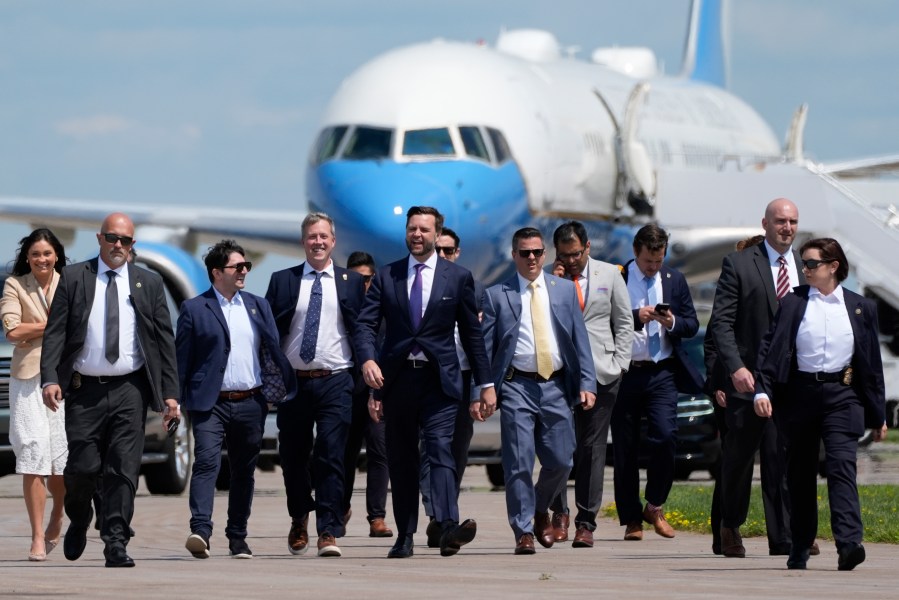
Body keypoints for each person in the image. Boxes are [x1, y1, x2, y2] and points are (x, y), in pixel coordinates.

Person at [40, 212, 180, 568]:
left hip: (129, 390)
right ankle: (80, 516)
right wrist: (50, 378)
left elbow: (164, 342)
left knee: (122, 469)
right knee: (82, 467)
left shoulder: (148, 283)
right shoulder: (73, 278)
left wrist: (169, 394)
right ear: (99, 238)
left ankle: (115, 541)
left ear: (133, 245)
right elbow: (55, 332)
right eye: (113, 238)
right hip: (83, 389)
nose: (119, 246)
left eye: (127, 240)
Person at [355, 205, 496, 559]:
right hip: (398, 381)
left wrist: (485, 383)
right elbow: (365, 325)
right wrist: (368, 359)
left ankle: (448, 524)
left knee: (440, 450)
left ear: (437, 234)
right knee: (402, 460)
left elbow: (473, 335)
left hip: (441, 382)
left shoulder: (457, 277)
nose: (417, 234)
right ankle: (404, 534)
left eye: (424, 229)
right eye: (412, 228)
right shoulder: (388, 277)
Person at [754, 237, 888, 571]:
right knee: (799, 474)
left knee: (842, 468)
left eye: (812, 263)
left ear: (833, 266)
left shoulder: (860, 307)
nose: (805, 269)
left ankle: (848, 544)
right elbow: (771, 349)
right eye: (804, 263)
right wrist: (762, 390)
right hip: (799, 396)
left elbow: (870, 365)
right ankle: (800, 544)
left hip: (843, 396)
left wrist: (878, 414)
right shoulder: (793, 303)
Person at [178, 240, 296, 560]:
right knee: (206, 463)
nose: (244, 271)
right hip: (209, 403)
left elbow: (271, 352)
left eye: (247, 267)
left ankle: (237, 537)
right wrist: (173, 399)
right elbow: (182, 360)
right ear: (217, 273)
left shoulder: (258, 306)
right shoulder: (194, 309)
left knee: (243, 471)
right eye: (237, 267)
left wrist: (273, 393)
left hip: (251, 402)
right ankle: (201, 530)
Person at [481, 226, 596, 554]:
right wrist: (486, 387)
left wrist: (587, 383)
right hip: (518, 385)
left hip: (556, 385)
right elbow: (485, 348)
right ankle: (523, 532)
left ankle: (537, 507)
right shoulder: (497, 295)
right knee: (517, 462)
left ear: (544, 255)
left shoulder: (563, 290)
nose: (531, 258)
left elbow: (580, 342)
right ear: (514, 255)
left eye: (537, 252)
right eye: (524, 253)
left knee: (562, 460)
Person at [265, 213, 366, 558]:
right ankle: (299, 518)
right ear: (303, 241)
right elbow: (269, 333)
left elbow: (361, 330)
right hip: (294, 384)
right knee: (293, 456)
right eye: (312, 237)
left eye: (324, 236)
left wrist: (369, 363)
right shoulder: (282, 280)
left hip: (336, 380)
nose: (318, 242)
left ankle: (328, 529)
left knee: (331, 455)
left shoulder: (351, 281)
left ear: (333, 241)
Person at [708, 198, 801, 557]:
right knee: (738, 460)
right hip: (746, 381)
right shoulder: (739, 264)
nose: (787, 227)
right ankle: (730, 525)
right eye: (780, 221)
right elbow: (721, 323)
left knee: (782, 460)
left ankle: (785, 536)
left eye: (792, 221)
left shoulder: (805, 266)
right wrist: (735, 368)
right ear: (765, 223)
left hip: (790, 383)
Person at [611, 223, 703, 541]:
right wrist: (639, 316)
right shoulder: (617, 278)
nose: (654, 267)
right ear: (636, 252)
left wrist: (671, 321)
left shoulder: (673, 280)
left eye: (659, 260)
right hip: (625, 372)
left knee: (665, 437)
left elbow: (691, 323)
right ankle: (631, 518)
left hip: (662, 371)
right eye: (649, 261)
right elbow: (603, 319)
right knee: (624, 448)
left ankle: (655, 505)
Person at [547, 221, 633, 548]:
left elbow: (624, 321)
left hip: (602, 371)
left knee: (592, 449)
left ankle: (586, 521)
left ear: (587, 248)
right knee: (557, 447)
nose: (570, 261)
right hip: (558, 374)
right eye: (564, 255)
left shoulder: (609, 275)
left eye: (575, 254)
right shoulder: (546, 279)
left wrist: (620, 363)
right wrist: (553, 283)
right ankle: (560, 513)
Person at [1, 228, 67, 561]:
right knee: (32, 454)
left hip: (67, 378)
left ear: (57, 255)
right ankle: (37, 536)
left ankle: (58, 514)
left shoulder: (70, 281)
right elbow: (13, 330)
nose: (42, 259)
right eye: (35, 254)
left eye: (47, 253)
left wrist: (36, 328)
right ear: (27, 257)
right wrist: (58, 324)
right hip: (28, 380)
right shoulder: (15, 285)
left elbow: (83, 325)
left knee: (60, 459)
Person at [420, 227, 486, 547]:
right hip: (429, 378)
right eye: (439, 250)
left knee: (457, 451)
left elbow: (479, 345)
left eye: (449, 251)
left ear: (457, 253)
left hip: (461, 379)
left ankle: (442, 515)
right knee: (432, 450)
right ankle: (441, 517)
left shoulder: (469, 286)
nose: (444, 256)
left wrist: (479, 391)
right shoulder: (419, 288)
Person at [341, 250, 392, 538]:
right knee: (344, 454)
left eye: (369, 279)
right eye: (356, 279)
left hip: (377, 391)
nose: (363, 284)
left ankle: (377, 517)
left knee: (379, 452)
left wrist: (382, 390)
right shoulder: (340, 308)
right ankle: (341, 508)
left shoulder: (385, 309)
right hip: (346, 391)